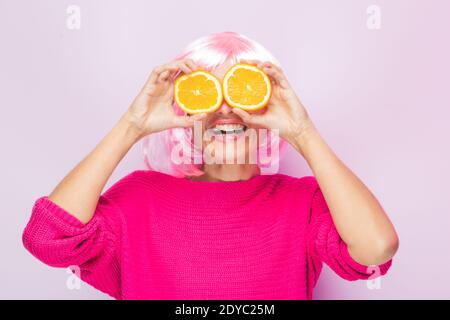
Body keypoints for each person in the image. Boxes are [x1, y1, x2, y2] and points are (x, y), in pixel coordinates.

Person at [22, 31, 398, 300]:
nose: (225, 109)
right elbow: (47, 239)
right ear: (184, 114)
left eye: (242, 92)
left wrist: (302, 130)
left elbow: (376, 247)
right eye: (206, 93)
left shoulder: (303, 203)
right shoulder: (139, 199)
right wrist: (132, 126)